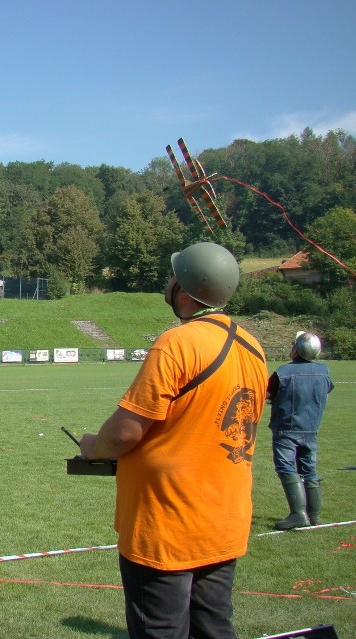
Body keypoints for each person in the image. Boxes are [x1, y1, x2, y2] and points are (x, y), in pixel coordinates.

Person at [79, 242, 268, 639]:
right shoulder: (254, 347)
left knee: (160, 630)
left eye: (173, 277)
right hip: (225, 519)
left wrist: (93, 446)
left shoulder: (177, 342)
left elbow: (126, 432)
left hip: (169, 522)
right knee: (214, 628)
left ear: (183, 289)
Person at [267, 331, 333, 529]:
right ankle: (315, 516)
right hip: (311, 429)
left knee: (286, 468)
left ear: (297, 349)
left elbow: (267, 393)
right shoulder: (324, 371)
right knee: (309, 469)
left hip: (286, 429)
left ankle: (298, 514)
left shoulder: (283, 372)